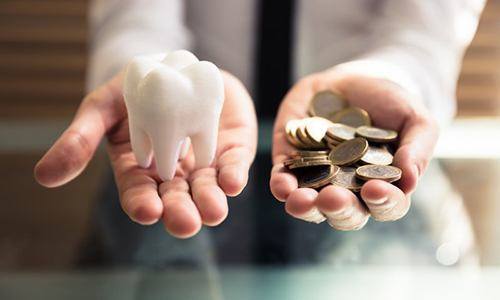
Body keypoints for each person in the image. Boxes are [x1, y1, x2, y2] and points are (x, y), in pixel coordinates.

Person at [34, 0, 485, 265]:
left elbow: (427, 28)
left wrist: (392, 79)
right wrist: (141, 72)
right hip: (184, 171)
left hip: (391, 251)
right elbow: (134, 15)